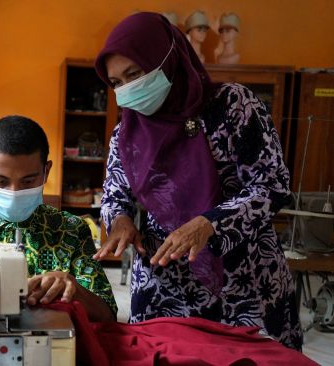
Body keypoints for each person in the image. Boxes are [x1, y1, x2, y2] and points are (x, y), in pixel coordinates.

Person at [93, 12, 302, 349]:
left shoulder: (233, 105)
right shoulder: (126, 134)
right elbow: (116, 194)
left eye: (135, 74)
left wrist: (209, 224)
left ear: (168, 57)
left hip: (244, 280)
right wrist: (120, 221)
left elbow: (271, 184)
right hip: (164, 284)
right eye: (117, 83)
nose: (128, 89)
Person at [0, 115, 117, 322]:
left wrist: (73, 288)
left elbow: (108, 315)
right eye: (1, 181)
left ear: (46, 172)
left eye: (28, 181)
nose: (14, 192)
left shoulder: (71, 230)